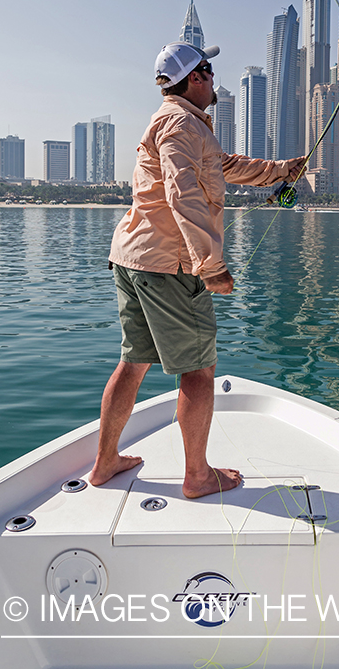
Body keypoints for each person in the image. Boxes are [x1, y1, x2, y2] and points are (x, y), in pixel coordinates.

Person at [90, 41, 305, 497]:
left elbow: (221, 166)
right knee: (199, 370)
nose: (212, 79)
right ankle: (197, 476)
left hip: (135, 258)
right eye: (208, 70)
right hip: (169, 265)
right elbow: (182, 191)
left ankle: (106, 462)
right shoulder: (182, 125)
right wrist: (210, 265)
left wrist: (280, 170)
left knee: (133, 361)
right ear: (195, 78)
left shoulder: (179, 123)